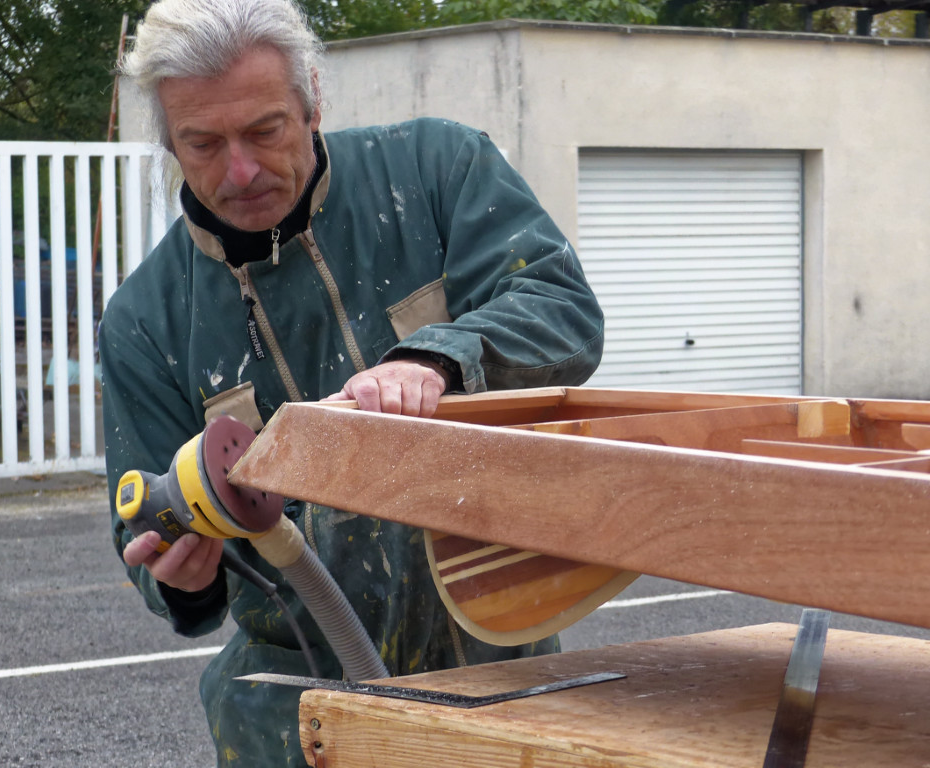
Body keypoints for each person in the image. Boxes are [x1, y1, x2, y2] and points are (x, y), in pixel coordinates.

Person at [99, 0, 605, 764]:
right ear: (169, 139)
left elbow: (562, 311)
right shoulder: (144, 320)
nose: (238, 171)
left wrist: (435, 358)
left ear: (312, 101)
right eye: (202, 143)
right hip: (291, 719)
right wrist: (180, 572)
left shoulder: (437, 171)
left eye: (266, 130)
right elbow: (145, 528)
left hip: (498, 675)